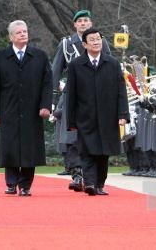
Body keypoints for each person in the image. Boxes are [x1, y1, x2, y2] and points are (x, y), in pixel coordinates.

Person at [0, 20, 52, 196]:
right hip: (8, 109)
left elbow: (47, 84)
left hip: (33, 111)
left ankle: (25, 185)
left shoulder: (40, 56)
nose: (23, 34)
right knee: (9, 147)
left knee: (29, 148)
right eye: (19, 32)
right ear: (11, 37)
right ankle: (11, 183)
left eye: (25, 31)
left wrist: (46, 106)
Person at [51, 10, 111, 191]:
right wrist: (53, 96)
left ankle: (90, 175)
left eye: (86, 20)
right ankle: (77, 174)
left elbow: (109, 64)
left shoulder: (101, 41)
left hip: (96, 95)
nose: (83, 23)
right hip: (73, 94)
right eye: (80, 21)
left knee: (92, 134)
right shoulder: (66, 44)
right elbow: (55, 70)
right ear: (75, 25)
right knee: (72, 136)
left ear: (91, 24)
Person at [67, 28, 129, 196]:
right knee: (86, 151)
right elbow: (71, 95)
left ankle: (99, 184)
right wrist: (71, 121)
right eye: (92, 40)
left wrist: (123, 115)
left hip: (108, 116)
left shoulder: (113, 63)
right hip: (85, 116)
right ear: (85, 44)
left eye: (98, 39)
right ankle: (90, 183)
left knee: (103, 153)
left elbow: (121, 92)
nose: (96, 42)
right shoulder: (76, 65)